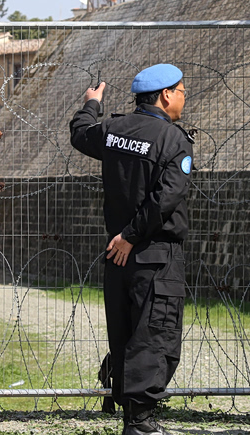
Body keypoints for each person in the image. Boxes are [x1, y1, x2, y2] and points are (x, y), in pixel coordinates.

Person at [70, 64, 194, 435]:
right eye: (182, 91)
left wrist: (93, 103)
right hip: (153, 254)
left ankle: (122, 399)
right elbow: (165, 199)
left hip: (118, 257)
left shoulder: (113, 132)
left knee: (124, 333)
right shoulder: (173, 141)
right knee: (155, 335)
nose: (184, 98)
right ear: (166, 95)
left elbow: (80, 134)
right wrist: (132, 235)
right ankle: (139, 424)